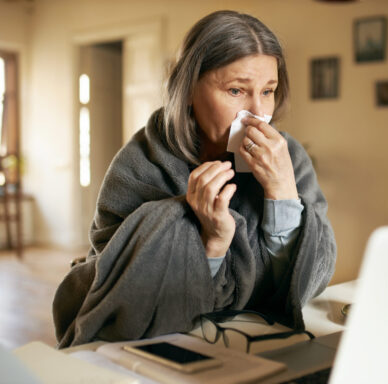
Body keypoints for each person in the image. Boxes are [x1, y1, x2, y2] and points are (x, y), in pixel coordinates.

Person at [53, 10, 336, 348]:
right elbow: (122, 298)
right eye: (235, 90)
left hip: (265, 346)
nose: (257, 112)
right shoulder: (140, 165)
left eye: (268, 90)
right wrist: (211, 243)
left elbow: (306, 283)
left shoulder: (288, 159)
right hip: (166, 350)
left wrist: (284, 195)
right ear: (187, 90)